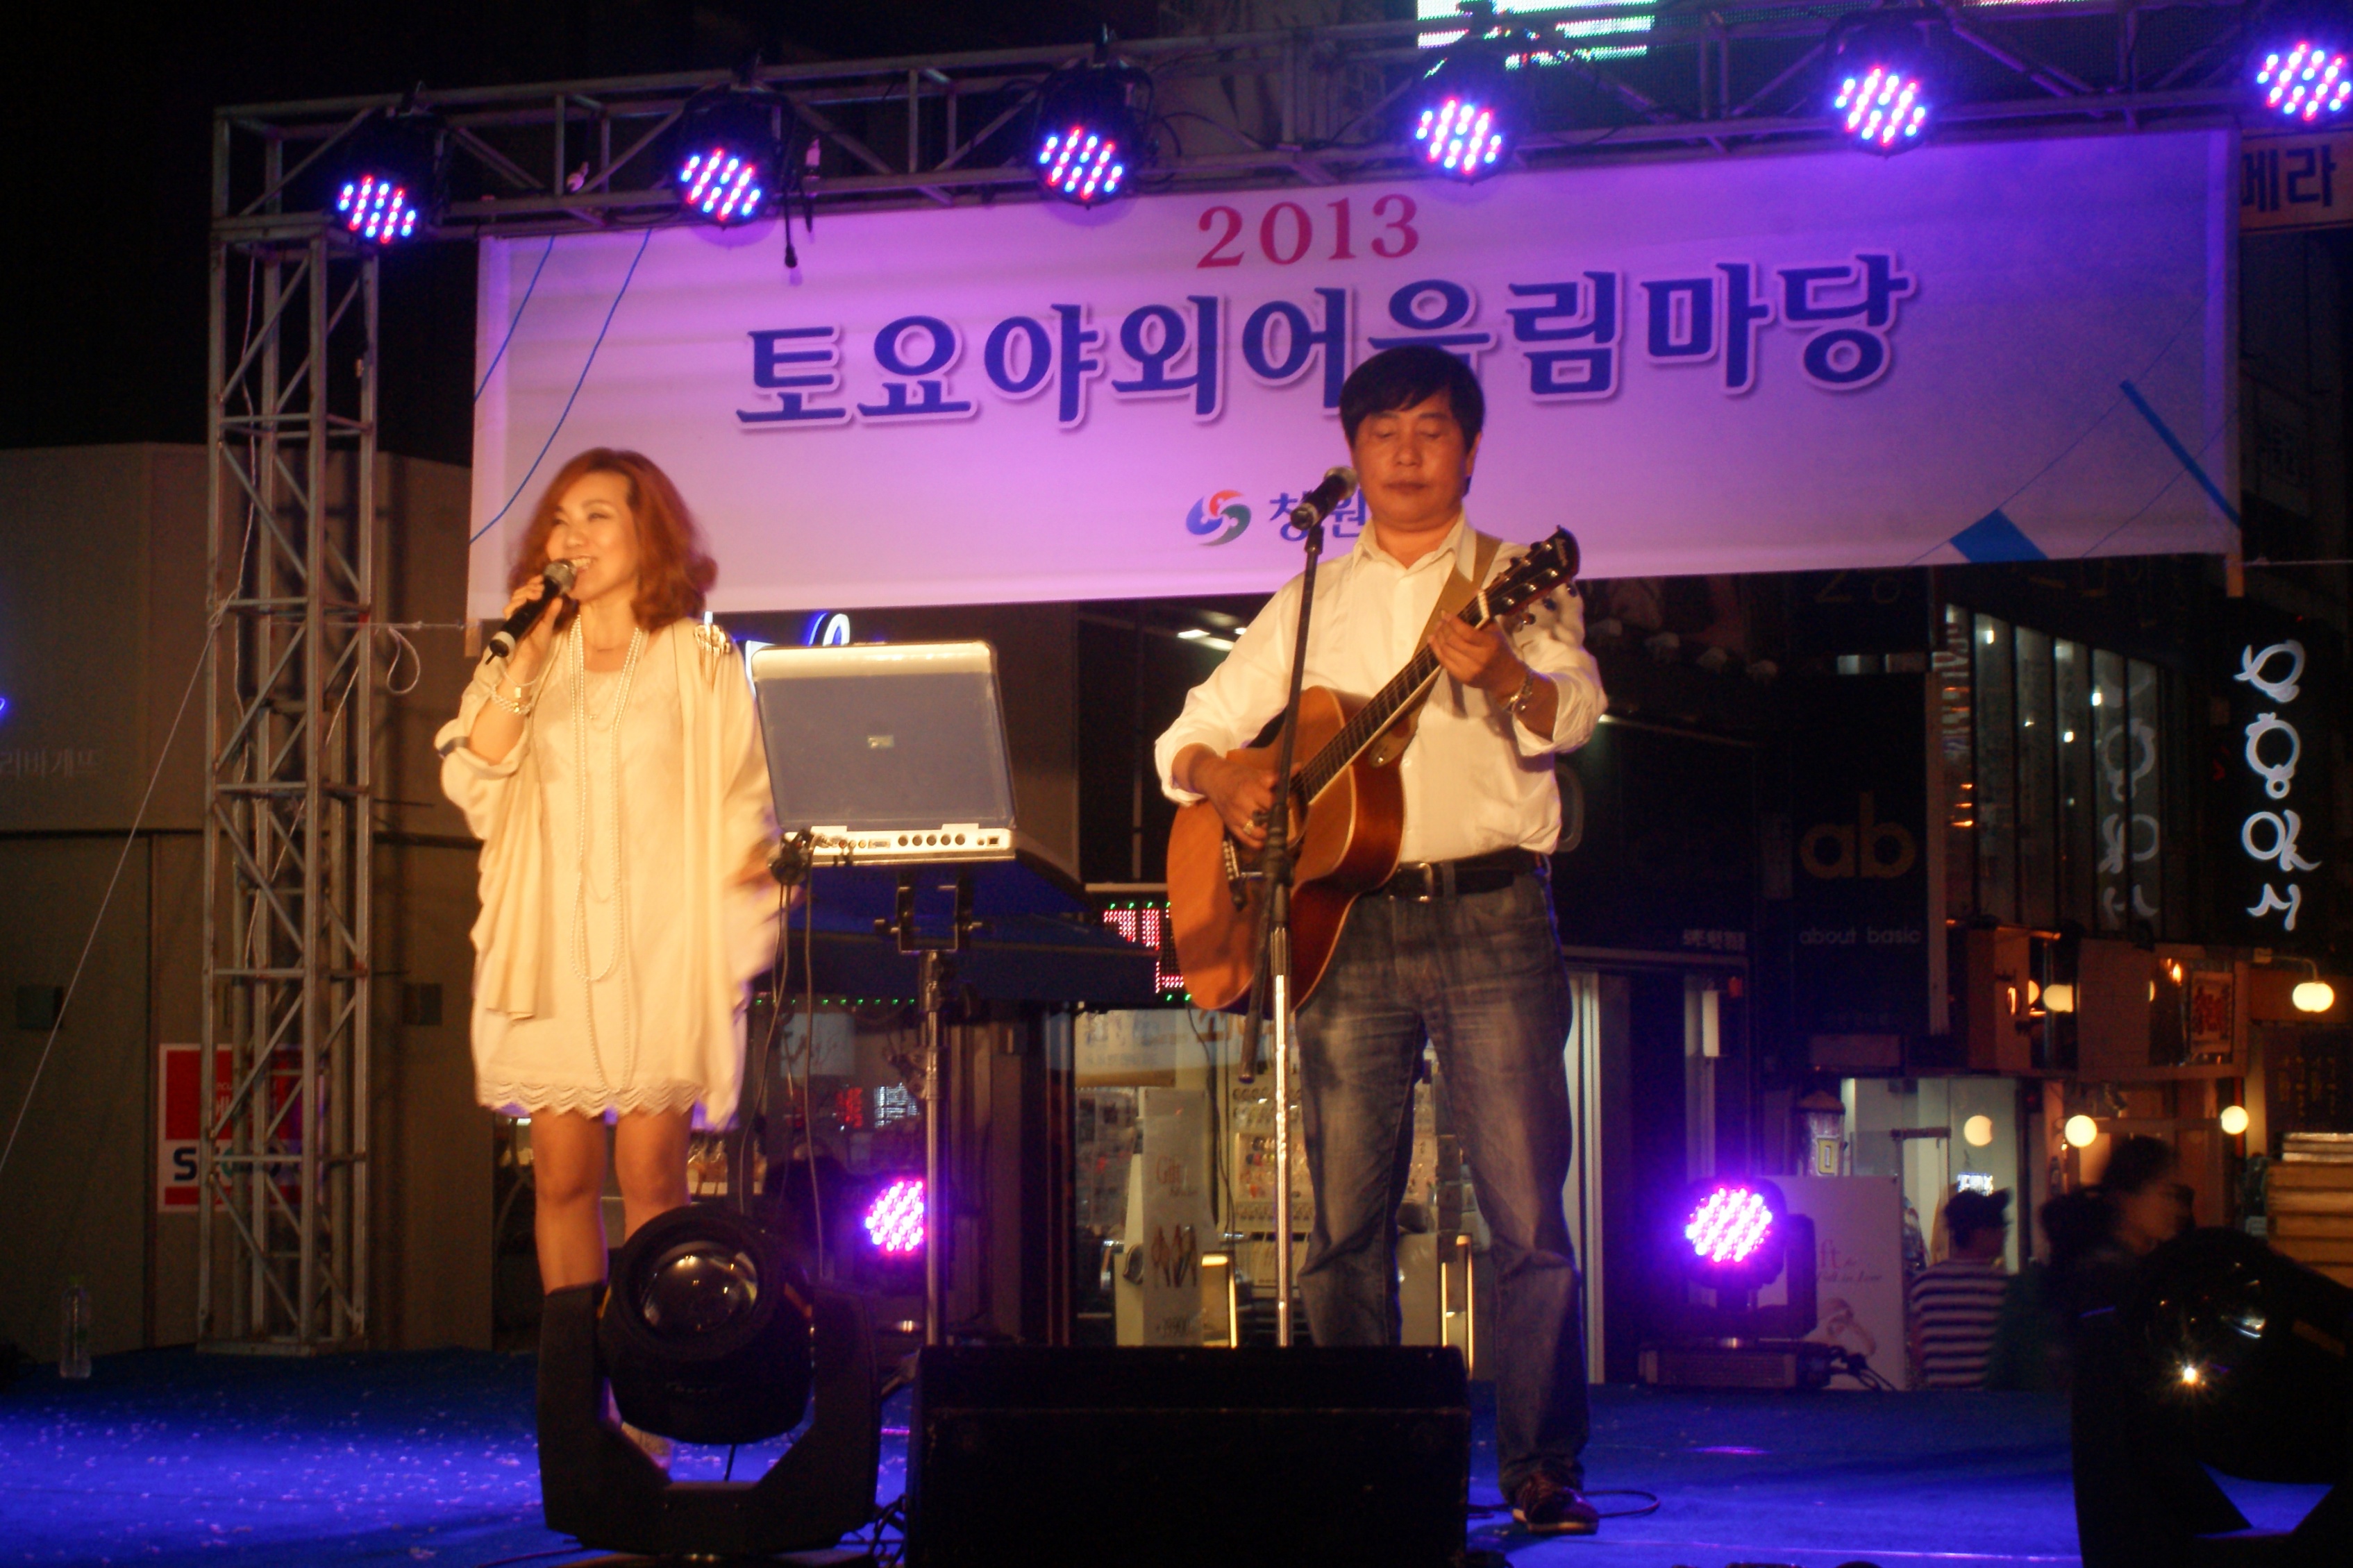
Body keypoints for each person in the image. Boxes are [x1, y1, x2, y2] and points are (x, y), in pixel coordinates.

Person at [1155, 345, 1607, 1534]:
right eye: (1382, 433)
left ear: (1470, 446)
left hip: (1491, 912)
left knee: (1524, 1216)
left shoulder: (1517, 577)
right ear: (1352, 455)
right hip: (1344, 924)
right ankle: (1363, 1455)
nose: (1406, 453)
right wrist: (1227, 776)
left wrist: (1501, 670)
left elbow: (1569, 713)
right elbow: (1189, 730)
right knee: (1342, 1220)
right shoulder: (1314, 595)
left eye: (1430, 430)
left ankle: (1539, 1463)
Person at [437, 448, 778, 1330]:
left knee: (653, 1175)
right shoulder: (528, 650)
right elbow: (475, 771)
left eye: (597, 517)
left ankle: (649, 1377)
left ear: (645, 532)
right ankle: (571, 1378)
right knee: (560, 1178)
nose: (573, 536)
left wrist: (749, 884)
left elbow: (741, 792)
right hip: (550, 943)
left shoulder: (699, 655)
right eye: (561, 520)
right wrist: (524, 657)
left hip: (658, 943)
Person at [1909, 1188, 2012, 1388]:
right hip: (1992, 1403)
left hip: (1941, 1401)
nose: (2004, 1235)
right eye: (2000, 1228)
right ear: (1980, 1234)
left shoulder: (1924, 1284)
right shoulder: (2002, 1286)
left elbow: (1919, 1354)